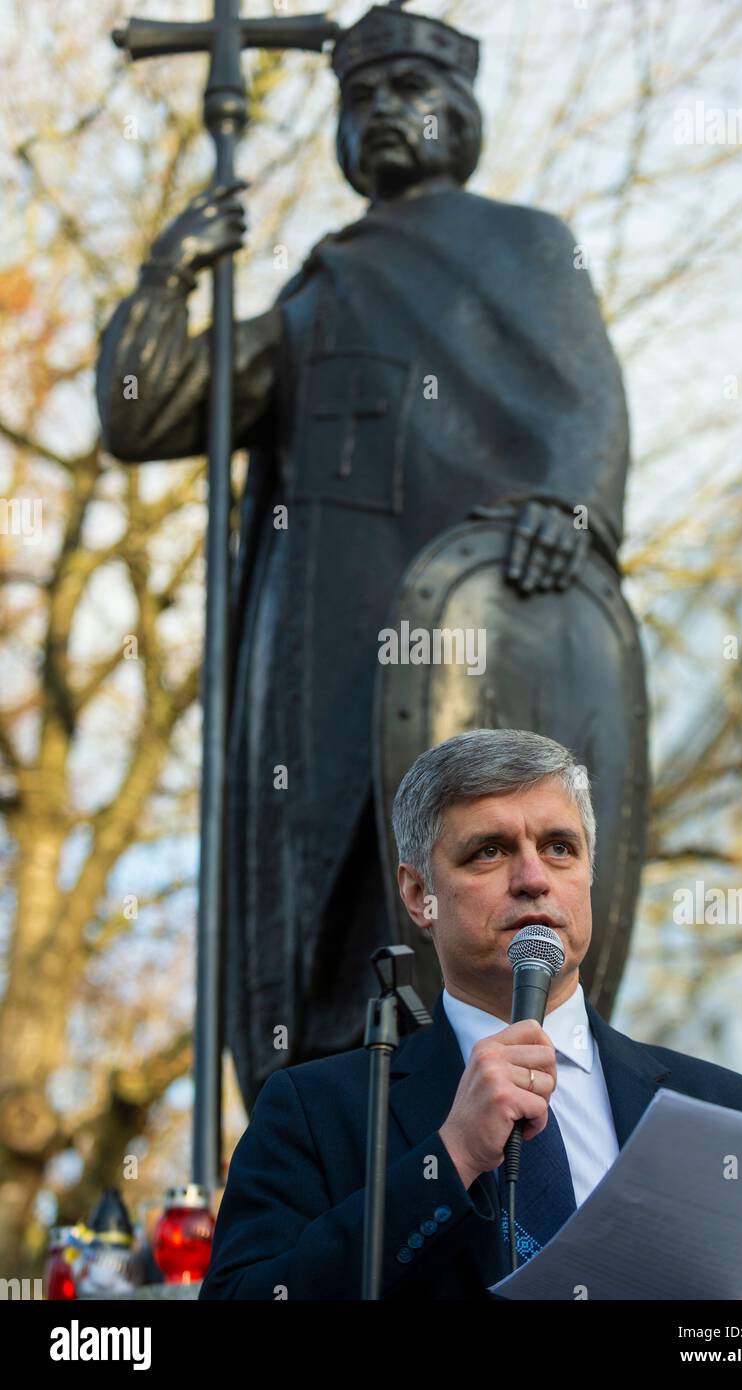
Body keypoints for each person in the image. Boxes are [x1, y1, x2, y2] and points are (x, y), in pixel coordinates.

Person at [96, 6, 634, 1111]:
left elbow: (588, 414)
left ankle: (473, 1107)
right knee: (331, 916)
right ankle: (336, 1115)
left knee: (463, 862)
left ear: (463, 116)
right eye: (358, 101)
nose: (382, 114)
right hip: (319, 666)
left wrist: (569, 513)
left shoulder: (525, 242)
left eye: (405, 94)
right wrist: (169, 273)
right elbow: (146, 419)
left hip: (467, 654)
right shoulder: (319, 286)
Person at [198, 728, 742, 1300]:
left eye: (560, 847)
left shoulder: (735, 1111)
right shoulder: (317, 1113)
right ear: (420, 894)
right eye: (489, 851)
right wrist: (449, 1158)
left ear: (588, 875)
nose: (533, 876)